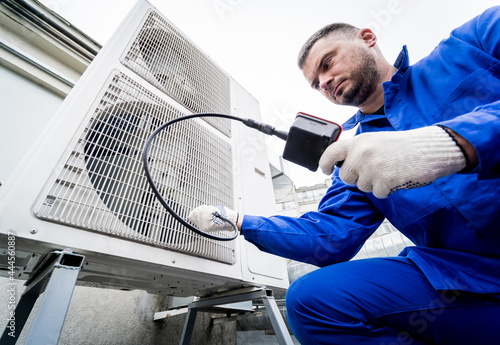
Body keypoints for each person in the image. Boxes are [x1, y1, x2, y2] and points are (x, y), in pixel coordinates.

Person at [189, 6, 500, 345]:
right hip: (473, 285)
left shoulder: (472, 44)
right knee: (313, 299)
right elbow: (330, 237)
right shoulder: (357, 159)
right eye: (315, 84)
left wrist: (449, 144)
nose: (323, 82)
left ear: (367, 38)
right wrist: (239, 221)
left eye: (327, 63)